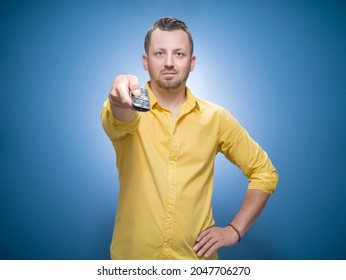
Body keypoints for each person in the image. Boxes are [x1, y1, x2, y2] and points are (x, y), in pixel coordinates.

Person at [101, 16, 278, 260]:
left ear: (192, 62)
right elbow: (122, 117)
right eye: (160, 53)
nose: (170, 62)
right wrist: (118, 97)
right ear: (145, 61)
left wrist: (234, 230)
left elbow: (264, 172)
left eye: (179, 54)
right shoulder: (129, 107)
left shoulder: (216, 118)